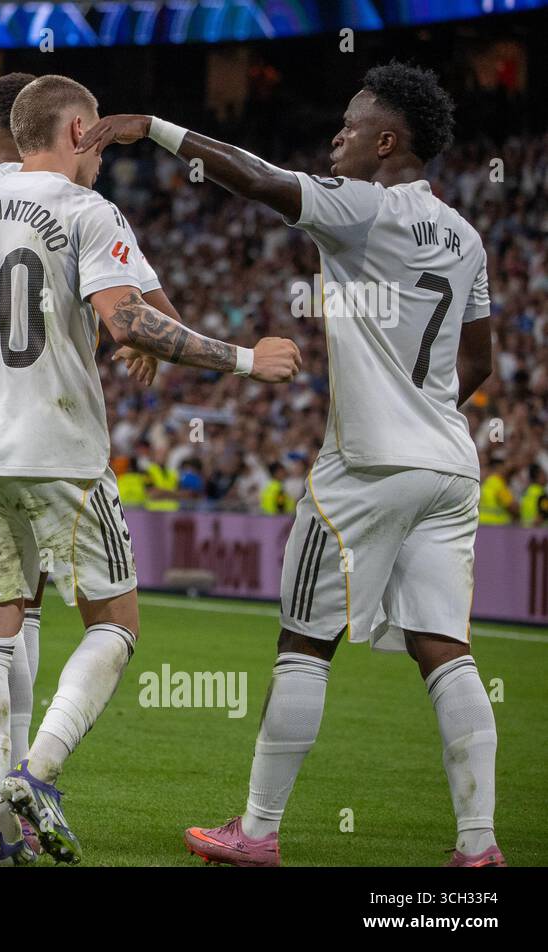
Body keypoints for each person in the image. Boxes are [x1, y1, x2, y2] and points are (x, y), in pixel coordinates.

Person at [79, 61, 503, 866]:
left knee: (305, 644)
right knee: (446, 648)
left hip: (368, 468)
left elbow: (261, 180)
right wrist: (425, 417)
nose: (335, 135)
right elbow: (477, 361)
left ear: (387, 141)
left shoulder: (364, 208)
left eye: (351, 123)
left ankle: (259, 833)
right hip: (449, 466)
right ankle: (478, 847)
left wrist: (158, 129)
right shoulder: (466, 234)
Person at [0, 74, 299, 865]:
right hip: (61, 455)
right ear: (78, 131)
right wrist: (248, 359)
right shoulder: (86, 211)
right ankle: (38, 773)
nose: (103, 162)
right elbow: (127, 319)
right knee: (114, 625)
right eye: (98, 145)